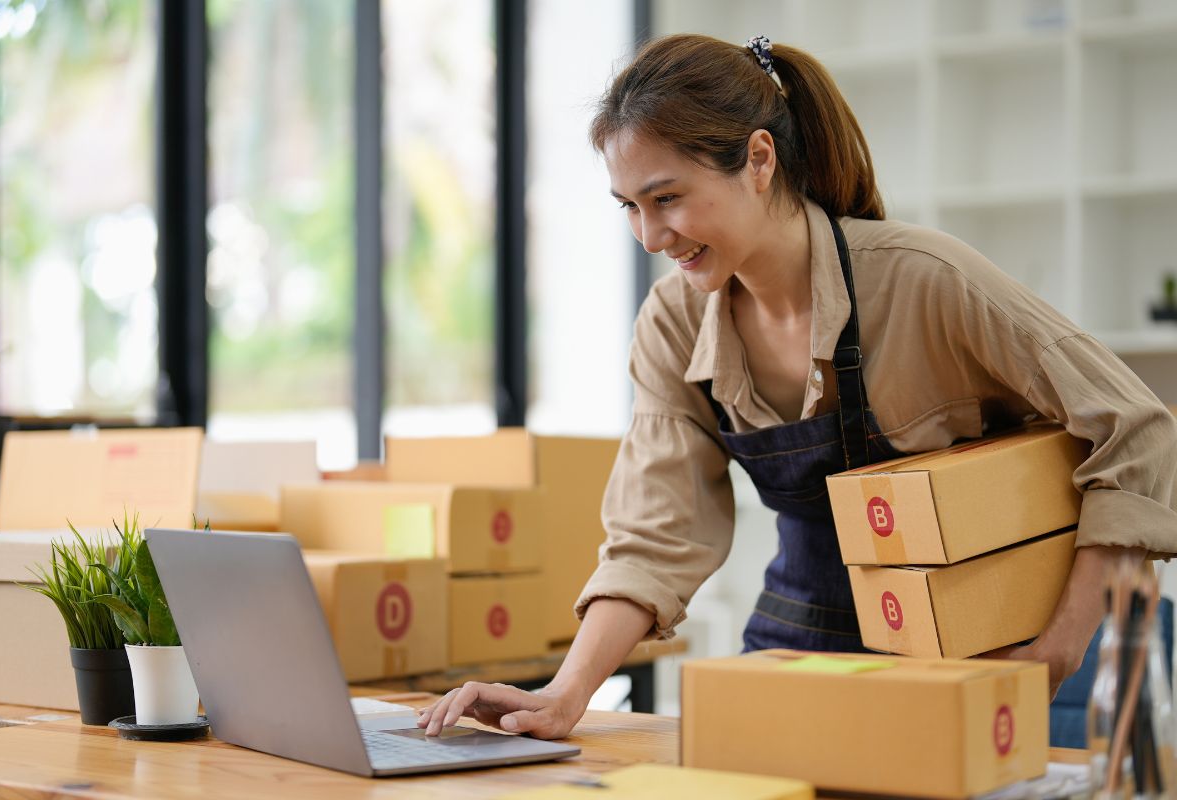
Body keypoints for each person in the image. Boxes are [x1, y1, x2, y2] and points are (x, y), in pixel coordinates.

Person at [417, 33, 1177, 739]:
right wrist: (564, 694)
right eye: (630, 208)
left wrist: (1057, 650)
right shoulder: (674, 323)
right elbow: (655, 534)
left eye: (667, 197)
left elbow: (1138, 431)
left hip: (985, 650)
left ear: (758, 159)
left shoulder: (923, 279)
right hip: (803, 637)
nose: (649, 236)